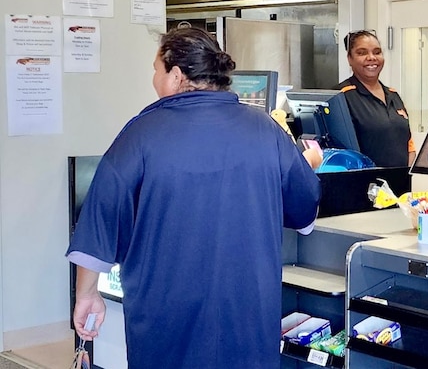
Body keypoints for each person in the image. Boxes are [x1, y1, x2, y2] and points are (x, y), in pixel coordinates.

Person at [66, 27, 321, 368]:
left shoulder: (142, 134)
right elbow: (305, 210)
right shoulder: (266, 129)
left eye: (156, 70)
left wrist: (87, 294)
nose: (154, 80)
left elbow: (101, 217)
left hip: (166, 314)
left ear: (176, 75)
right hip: (247, 314)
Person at [337, 29, 415, 167]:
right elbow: (339, 152)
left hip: (398, 183)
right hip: (362, 185)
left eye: (377, 52)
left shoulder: (393, 95)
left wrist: (403, 175)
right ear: (350, 58)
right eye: (362, 53)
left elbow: (408, 143)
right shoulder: (341, 96)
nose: (371, 57)